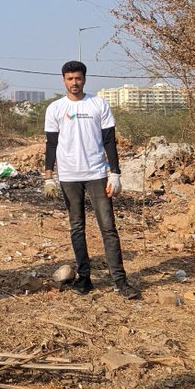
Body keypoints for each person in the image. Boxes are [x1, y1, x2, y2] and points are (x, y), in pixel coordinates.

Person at [43, 60, 139, 299]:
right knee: (77, 227)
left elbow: (109, 140)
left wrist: (114, 173)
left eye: (78, 78)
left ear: (85, 78)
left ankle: (120, 280)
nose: (74, 83)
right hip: (68, 176)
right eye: (70, 79)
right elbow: (51, 144)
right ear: (63, 80)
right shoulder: (55, 108)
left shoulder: (98, 104)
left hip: (96, 174)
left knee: (108, 227)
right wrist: (48, 176)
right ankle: (85, 278)